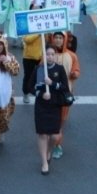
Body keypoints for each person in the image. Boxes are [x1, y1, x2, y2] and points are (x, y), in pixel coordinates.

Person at [35, 45, 69, 175]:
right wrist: (41, 94)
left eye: (52, 54)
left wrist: (52, 84)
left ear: (55, 56)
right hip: (41, 105)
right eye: (47, 54)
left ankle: (49, 150)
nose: (49, 56)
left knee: (55, 135)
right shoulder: (39, 69)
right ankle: (44, 162)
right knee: (42, 134)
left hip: (55, 105)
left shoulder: (59, 69)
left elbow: (65, 87)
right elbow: (32, 87)